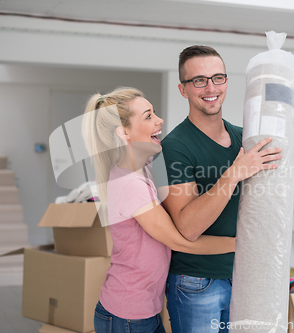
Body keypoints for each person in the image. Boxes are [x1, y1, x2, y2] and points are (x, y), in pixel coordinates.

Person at [82, 87, 236, 333]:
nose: (159, 120)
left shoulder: (144, 168)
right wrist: (242, 244)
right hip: (126, 316)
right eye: (148, 116)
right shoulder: (129, 184)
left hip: (143, 310)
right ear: (124, 132)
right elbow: (181, 242)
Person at [160, 45, 283, 332]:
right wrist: (234, 174)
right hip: (197, 282)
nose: (210, 87)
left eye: (218, 78)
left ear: (227, 81)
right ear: (183, 89)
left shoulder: (245, 139)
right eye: (199, 80)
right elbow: (188, 228)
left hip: (245, 275)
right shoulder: (174, 147)